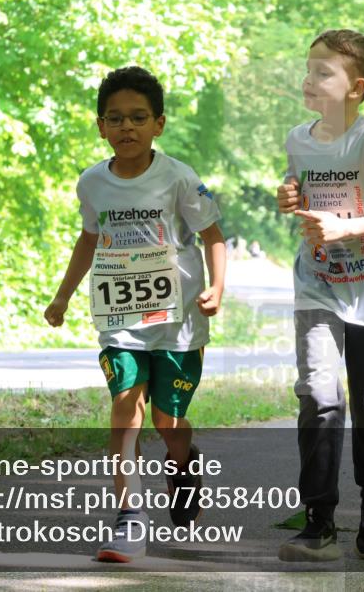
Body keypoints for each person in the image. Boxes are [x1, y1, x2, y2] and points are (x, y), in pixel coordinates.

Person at [44, 66, 227, 562]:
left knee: (169, 423)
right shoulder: (92, 183)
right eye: (116, 119)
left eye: (138, 118)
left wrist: (217, 288)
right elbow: (89, 239)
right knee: (127, 405)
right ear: (100, 126)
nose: (127, 127)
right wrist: (62, 296)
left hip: (179, 321)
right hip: (120, 318)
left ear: (159, 124)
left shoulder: (179, 178)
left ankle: (184, 463)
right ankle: (129, 517)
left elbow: (212, 235)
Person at [274, 29, 364, 562]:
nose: (309, 79)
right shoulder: (297, 138)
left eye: (323, 71)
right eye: (308, 67)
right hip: (316, 285)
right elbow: (299, 192)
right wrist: (287, 195)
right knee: (318, 396)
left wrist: (348, 228)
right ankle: (318, 520)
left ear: (355, 87)